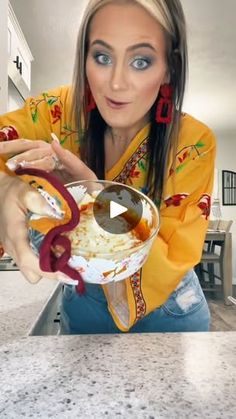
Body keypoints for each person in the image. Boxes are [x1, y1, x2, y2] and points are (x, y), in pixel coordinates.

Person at [0, 0, 216, 334]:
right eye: (102, 57)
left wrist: (97, 194)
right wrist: (4, 183)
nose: (116, 83)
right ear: (84, 58)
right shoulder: (59, 112)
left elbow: (171, 255)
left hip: (171, 313)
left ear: (169, 68)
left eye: (141, 61)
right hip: (82, 304)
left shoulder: (193, 143)